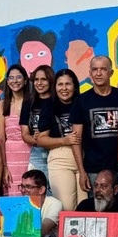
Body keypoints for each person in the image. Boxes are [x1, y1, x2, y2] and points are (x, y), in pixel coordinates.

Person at [72, 56, 118, 202]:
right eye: (95, 69)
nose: (98, 73)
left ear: (111, 72)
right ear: (90, 73)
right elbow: (75, 139)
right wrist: (82, 172)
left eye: (103, 69)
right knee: (100, 215)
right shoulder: (81, 101)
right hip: (94, 170)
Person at [35, 68, 85, 212]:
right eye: (60, 84)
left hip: (85, 158)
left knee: (84, 208)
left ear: (75, 86)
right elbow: (41, 140)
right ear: (55, 86)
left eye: (68, 84)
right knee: (67, 207)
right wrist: (65, 140)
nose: (64, 88)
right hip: (61, 158)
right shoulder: (49, 106)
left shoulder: (82, 102)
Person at [0, 64, 32, 195]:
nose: (14, 81)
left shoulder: (33, 102)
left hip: (31, 155)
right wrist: (4, 167)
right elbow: (0, 139)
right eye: (11, 78)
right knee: (13, 198)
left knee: (32, 193)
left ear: (25, 80)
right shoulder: (1, 105)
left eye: (18, 77)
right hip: (11, 159)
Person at [20, 64, 55, 178]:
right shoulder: (28, 104)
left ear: (50, 81)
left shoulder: (57, 102)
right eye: (36, 79)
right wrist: (37, 139)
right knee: (37, 189)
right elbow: (25, 135)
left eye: (43, 79)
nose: (39, 83)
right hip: (37, 152)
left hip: (55, 150)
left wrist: (46, 139)